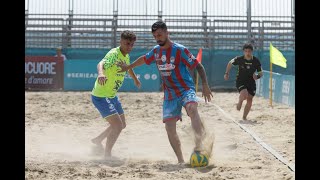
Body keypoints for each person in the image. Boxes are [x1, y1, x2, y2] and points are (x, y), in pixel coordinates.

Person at [117, 21, 213, 163]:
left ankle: (199, 147)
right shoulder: (156, 51)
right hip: (169, 94)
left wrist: (205, 85)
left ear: (167, 33)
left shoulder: (180, 50)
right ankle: (180, 160)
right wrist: (129, 67)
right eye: (155, 36)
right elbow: (144, 59)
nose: (158, 38)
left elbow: (198, 66)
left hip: (185, 89)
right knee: (169, 128)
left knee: (192, 108)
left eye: (160, 35)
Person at [91, 30, 141, 158]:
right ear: (121, 42)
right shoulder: (114, 53)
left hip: (112, 95)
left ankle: (98, 140)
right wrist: (101, 73)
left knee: (122, 124)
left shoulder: (126, 55)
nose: (129, 47)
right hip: (101, 96)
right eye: (127, 44)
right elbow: (100, 63)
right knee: (117, 126)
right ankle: (107, 155)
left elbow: (128, 67)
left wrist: (135, 79)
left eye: (131, 45)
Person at [224, 43, 263, 120]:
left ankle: (244, 117)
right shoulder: (239, 59)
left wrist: (257, 76)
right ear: (243, 51)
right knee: (244, 94)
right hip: (240, 80)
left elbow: (261, 73)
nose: (247, 53)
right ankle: (240, 101)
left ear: (252, 51)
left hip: (251, 82)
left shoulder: (256, 61)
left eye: (249, 51)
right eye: (246, 51)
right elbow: (230, 63)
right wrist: (226, 73)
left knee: (250, 100)